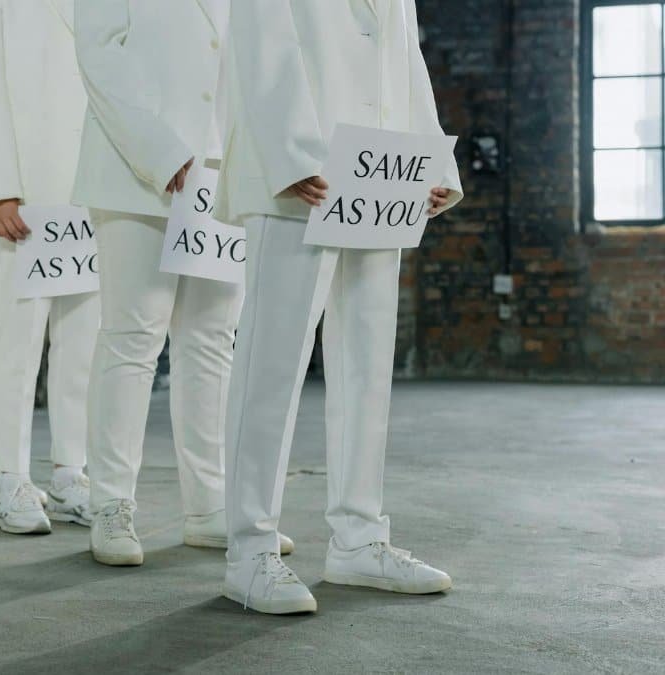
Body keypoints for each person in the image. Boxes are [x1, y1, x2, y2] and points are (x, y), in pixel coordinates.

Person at [218, 0, 462, 615]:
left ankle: (359, 538)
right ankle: (249, 549)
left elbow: (404, 55)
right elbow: (259, 37)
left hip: (381, 182)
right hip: (300, 179)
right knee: (270, 367)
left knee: (367, 367)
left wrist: (432, 164)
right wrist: (291, 151)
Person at [72, 0, 293, 567]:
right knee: (132, 336)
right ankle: (111, 503)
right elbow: (98, 52)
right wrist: (158, 148)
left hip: (222, 174)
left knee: (212, 341)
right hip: (138, 170)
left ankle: (209, 505)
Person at [0, 0, 98, 534]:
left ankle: (71, 474)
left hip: (94, 184)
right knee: (15, 341)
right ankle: (9, 476)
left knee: (83, 341)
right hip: (26, 190)